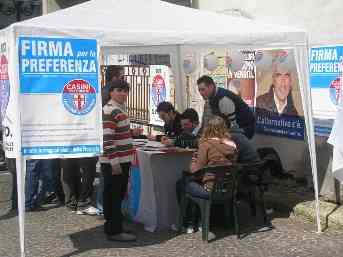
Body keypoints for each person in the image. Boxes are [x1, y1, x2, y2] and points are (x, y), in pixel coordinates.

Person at [176, 116, 237, 232]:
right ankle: (200, 221)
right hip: (228, 189)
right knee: (193, 182)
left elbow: (196, 171)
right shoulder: (233, 145)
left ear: (207, 129)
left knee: (182, 183)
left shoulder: (206, 145)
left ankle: (188, 223)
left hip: (210, 189)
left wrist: (193, 160)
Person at [100, 79, 138, 242]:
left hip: (120, 160)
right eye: (119, 90)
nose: (123, 94)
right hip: (115, 162)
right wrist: (114, 163)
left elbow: (116, 134)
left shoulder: (118, 109)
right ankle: (114, 231)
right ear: (111, 92)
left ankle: (114, 226)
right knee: (114, 196)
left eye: (125, 91)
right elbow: (107, 139)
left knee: (116, 195)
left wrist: (130, 133)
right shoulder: (110, 110)